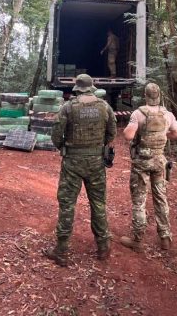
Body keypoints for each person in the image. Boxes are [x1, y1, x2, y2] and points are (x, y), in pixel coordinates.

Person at [44, 74, 116, 267]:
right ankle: (103, 246)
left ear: (77, 88)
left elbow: (56, 134)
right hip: (96, 163)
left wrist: (65, 148)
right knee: (98, 204)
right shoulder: (104, 107)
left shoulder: (68, 107)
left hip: (73, 162)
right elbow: (112, 133)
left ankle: (61, 251)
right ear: (91, 87)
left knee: (67, 204)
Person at [120, 82, 177, 252]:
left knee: (139, 200)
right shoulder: (167, 114)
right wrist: (163, 134)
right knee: (160, 198)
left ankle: (137, 239)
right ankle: (165, 238)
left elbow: (128, 135)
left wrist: (141, 132)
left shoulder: (138, 114)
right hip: (159, 162)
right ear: (160, 96)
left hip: (142, 162)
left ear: (145, 96)